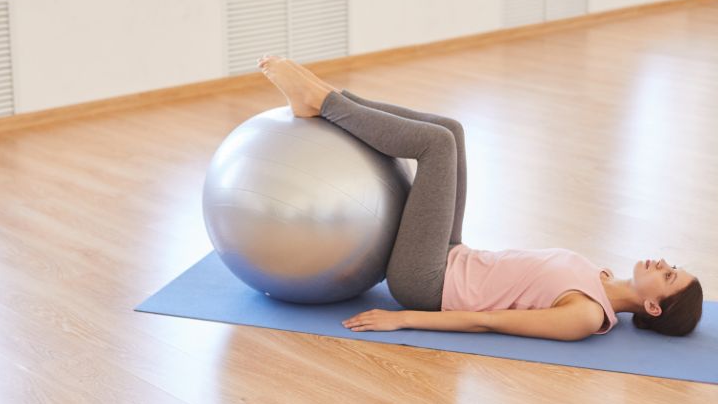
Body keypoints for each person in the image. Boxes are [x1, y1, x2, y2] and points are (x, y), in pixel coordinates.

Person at [256, 55, 704, 341]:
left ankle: (324, 101)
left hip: (427, 283)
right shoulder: (600, 279)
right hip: (453, 256)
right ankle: (332, 99)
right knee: (452, 130)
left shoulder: (586, 317)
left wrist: (405, 318)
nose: (662, 263)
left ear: (652, 307)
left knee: (436, 147)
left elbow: (489, 321)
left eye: (669, 277)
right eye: (670, 264)